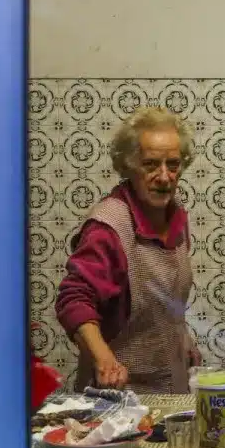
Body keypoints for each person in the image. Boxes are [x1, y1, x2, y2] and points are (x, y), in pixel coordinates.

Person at [56, 106, 203, 393]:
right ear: (129, 166)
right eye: (150, 165)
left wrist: (185, 344)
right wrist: (105, 361)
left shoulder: (176, 217)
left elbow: (165, 305)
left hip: (172, 386)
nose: (164, 176)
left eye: (172, 165)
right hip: (120, 399)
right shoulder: (108, 227)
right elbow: (73, 300)